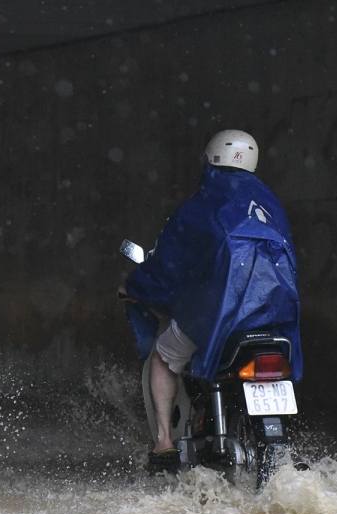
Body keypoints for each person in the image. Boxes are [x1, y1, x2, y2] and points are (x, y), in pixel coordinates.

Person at [119, 129, 302, 472]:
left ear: (209, 158)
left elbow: (168, 263)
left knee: (163, 357)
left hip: (224, 314)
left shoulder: (204, 204)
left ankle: (163, 445)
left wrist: (136, 286)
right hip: (275, 314)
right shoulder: (270, 204)